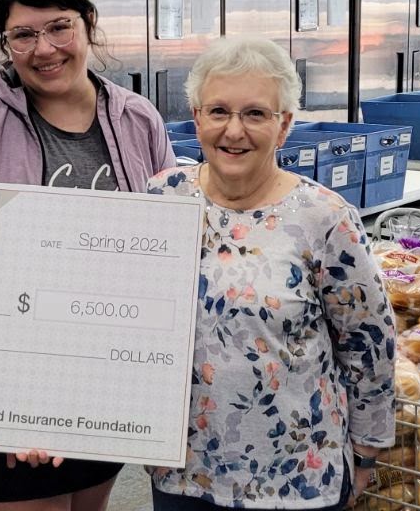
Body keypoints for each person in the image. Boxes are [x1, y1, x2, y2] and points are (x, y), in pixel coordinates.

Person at [0, 0, 176, 510]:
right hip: (3, 369)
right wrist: (15, 398)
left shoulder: (138, 118)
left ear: (88, 24)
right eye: (23, 35)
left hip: (105, 369)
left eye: (59, 26)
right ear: (6, 43)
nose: (44, 48)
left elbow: (169, 248)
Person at [146, 36, 396, 510]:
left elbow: (369, 342)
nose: (233, 131)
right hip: (182, 469)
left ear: (284, 126)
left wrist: (367, 449)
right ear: (196, 117)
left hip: (296, 475)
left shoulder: (324, 218)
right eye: (218, 111)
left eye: (255, 114)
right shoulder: (160, 199)